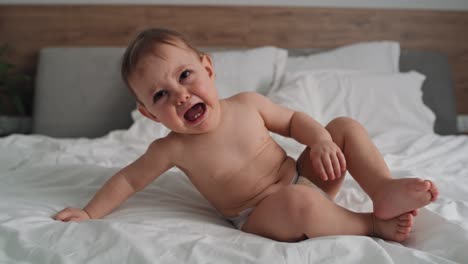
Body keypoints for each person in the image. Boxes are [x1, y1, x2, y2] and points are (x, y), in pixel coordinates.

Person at [54, 28, 439, 243]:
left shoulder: (248, 104)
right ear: (148, 113)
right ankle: (369, 224)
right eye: (160, 95)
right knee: (296, 203)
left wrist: (320, 140)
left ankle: (383, 187)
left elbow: (293, 122)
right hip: (262, 214)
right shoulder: (170, 148)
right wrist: (89, 212)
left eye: (184, 76)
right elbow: (127, 179)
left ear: (207, 67)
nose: (181, 95)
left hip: (304, 179)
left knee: (343, 127)